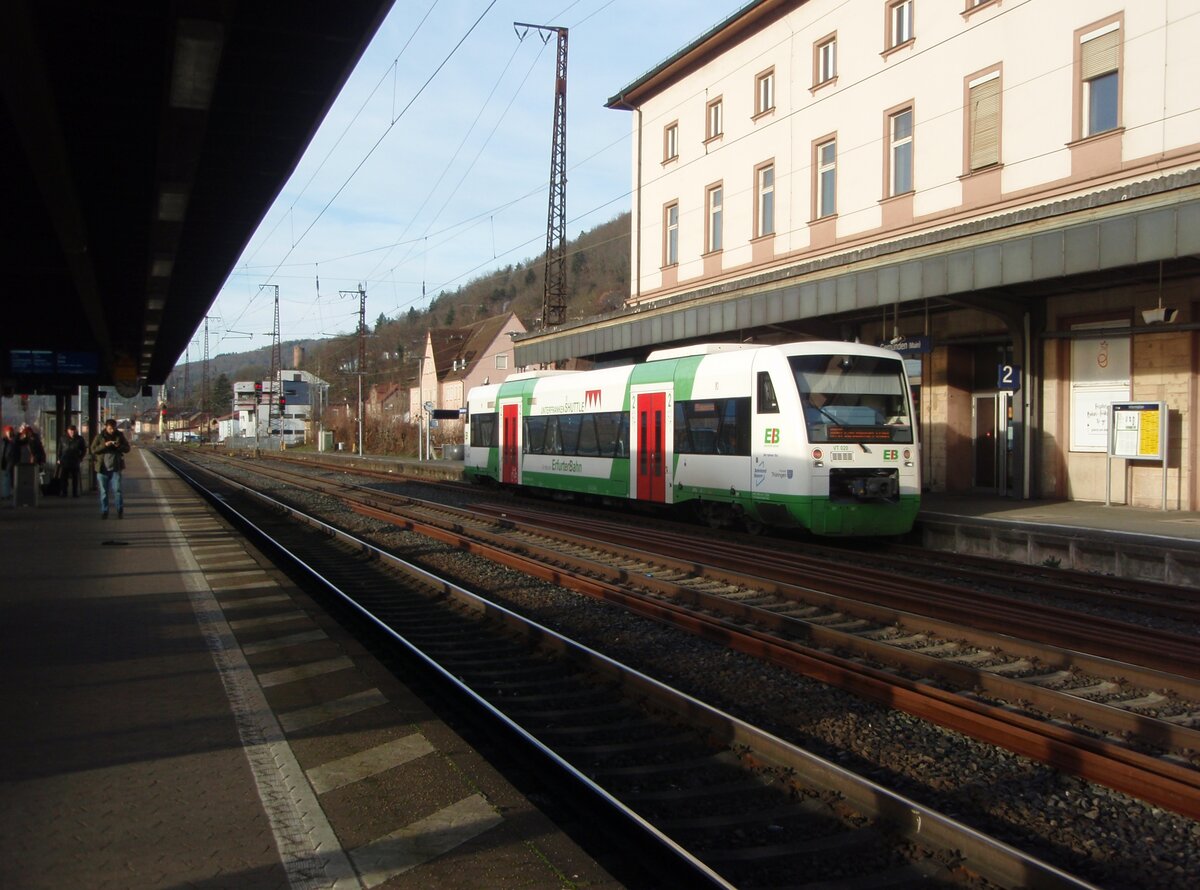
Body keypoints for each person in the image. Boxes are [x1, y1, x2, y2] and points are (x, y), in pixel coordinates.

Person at [89, 418, 131, 519]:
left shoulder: (119, 436)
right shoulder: (100, 437)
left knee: (117, 490)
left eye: (113, 428)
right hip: (102, 469)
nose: (112, 430)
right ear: (106, 427)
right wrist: (104, 445)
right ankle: (104, 511)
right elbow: (93, 450)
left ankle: (119, 510)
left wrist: (118, 446)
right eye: (110, 428)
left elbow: (127, 448)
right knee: (104, 492)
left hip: (116, 468)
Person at [57, 424, 87, 497]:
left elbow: (84, 449)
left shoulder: (80, 439)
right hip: (65, 460)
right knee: (64, 477)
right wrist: (59, 458)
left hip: (75, 460)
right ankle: (64, 492)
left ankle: (75, 492)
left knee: (75, 477)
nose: (72, 432)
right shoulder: (63, 438)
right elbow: (60, 449)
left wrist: (80, 458)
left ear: (75, 431)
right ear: (68, 431)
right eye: (70, 431)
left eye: (73, 431)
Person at [0, 425, 17, 501]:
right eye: (8, 432)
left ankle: (8, 493)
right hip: (7, 462)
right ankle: (6, 493)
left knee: (10, 478)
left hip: (11, 462)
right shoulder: (5, 441)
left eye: (10, 432)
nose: (9, 433)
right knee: (6, 478)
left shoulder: (13, 441)